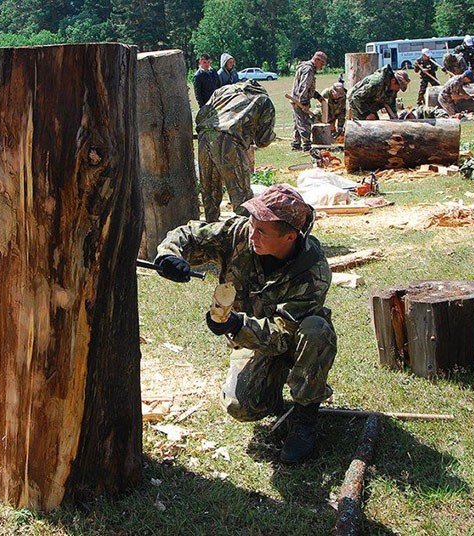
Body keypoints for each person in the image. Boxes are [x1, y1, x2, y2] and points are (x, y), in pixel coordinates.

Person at [154, 184, 336, 464]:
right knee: (241, 406)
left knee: (315, 330)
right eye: (252, 224)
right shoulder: (240, 234)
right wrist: (170, 255)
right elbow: (188, 235)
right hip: (253, 341)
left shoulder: (314, 273)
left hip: (291, 338)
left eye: (262, 231)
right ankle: (272, 391)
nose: (252, 234)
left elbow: (282, 335)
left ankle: (305, 417)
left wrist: (236, 325)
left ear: (289, 237)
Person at [195, 80, 276, 222]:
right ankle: (244, 234)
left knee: (209, 193)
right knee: (241, 194)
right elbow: (263, 140)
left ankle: (210, 230)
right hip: (229, 140)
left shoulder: (224, 90)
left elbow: (201, 115)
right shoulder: (263, 100)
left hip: (205, 134)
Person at [290, 51, 327, 151]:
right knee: (304, 123)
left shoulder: (306, 67)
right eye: (322, 63)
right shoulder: (308, 69)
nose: (322, 66)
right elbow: (304, 87)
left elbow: (308, 88)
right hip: (299, 100)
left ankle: (296, 144)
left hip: (297, 99)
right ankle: (307, 146)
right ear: (316, 60)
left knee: (298, 122)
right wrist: (305, 103)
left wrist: (318, 96)